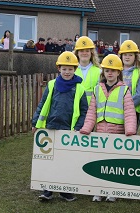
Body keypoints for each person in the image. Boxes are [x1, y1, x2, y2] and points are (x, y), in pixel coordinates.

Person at [32, 51, 88, 202]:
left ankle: (65, 191)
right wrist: (35, 123)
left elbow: (84, 111)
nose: (67, 72)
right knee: (50, 159)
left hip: (69, 130)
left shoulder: (80, 88)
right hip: (51, 127)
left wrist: (79, 126)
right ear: (59, 69)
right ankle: (47, 190)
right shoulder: (51, 85)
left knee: (67, 161)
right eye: (64, 68)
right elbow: (43, 105)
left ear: (75, 69)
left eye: (70, 69)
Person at [80, 54, 136, 202]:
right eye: (107, 70)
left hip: (117, 132)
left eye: (113, 70)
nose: (110, 73)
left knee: (114, 164)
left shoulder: (124, 90)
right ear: (103, 72)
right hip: (100, 131)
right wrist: (87, 127)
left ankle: (113, 191)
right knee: (99, 162)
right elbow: (92, 111)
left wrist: (130, 129)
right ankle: (98, 190)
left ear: (119, 72)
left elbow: (129, 112)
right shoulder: (97, 89)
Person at [119, 40, 140, 118]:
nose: (127, 57)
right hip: (116, 110)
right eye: (125, 55)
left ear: (135, 57)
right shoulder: (116, 70)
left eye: (130, 55)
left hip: (132, 112)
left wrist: (125, 105)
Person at [74, 36, 101, 104]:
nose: (84, 53)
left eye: (87, 51)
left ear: (91, 53)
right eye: (82, 51)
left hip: (92, 111)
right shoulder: (72, 71)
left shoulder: (99, 72)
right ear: (77, 53)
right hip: (75, 111)